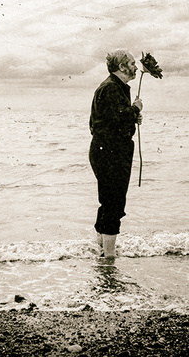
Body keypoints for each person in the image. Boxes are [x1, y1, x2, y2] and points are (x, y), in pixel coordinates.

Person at [89, 49, 143, 259]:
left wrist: (132, 117)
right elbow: (117, 120)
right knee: (114, 203)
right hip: (111, 152)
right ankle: (109, 257)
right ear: (121, 67)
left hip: (106, 150)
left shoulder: (113, 86)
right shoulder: (111, 88)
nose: (135, 67)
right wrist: (135, 110)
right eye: (132, 63)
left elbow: (110, 120)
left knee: (109, 201)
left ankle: (102, 249)